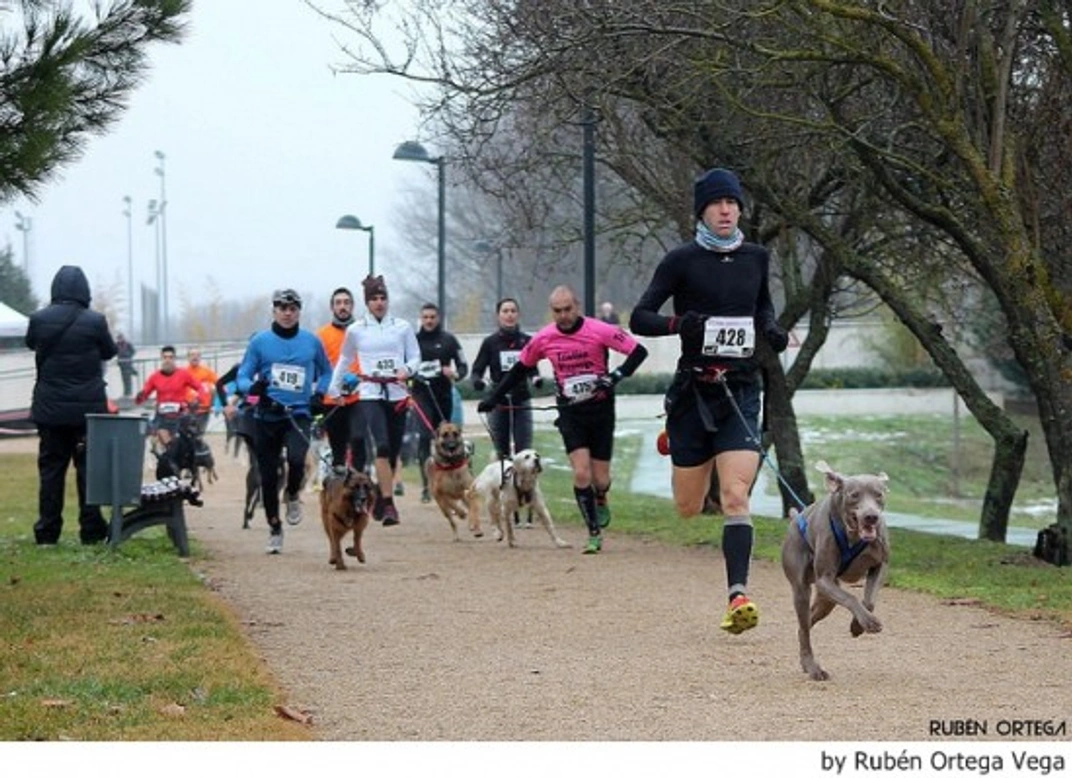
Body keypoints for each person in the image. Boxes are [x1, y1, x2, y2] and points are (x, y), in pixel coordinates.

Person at [629, 166, 788, 635]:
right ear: (701, 211)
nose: (725, 210)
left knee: (736, 495)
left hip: (740, 388)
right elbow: (640, 317)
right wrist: (681, 324)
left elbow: (761, 305)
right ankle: (676, 440)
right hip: (693, 393)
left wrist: (771, 328)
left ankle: (738, 595)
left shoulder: (756, 257)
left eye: (732, 202)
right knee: (689, 506)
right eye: (717, 203)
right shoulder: (681, 261)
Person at [478, 285, 648, 555]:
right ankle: (593, 533)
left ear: (577, 306)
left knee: (601, 479)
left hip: (601, 409)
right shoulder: (545, 338)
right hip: (570, 412)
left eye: (568, 309)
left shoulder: (599, 329)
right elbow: (520, 368)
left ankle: (601, 496)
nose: (564, 315)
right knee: (581, 472)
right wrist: (494, 397)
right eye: (557, 311)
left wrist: (615, 376)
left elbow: (639, 352)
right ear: (552, 311)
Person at [25, 265, 118, 546]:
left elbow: (31, 344)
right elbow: (110, 351)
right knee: (88, 470)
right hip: (87, 411)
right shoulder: (95, 321)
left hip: (50, 409)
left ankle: (47, 531)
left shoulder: (39, 319)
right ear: (84, 290)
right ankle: (91, 529)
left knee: (51, 470)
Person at [236, 288, 332, 554]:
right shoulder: (260, 342)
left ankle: (292, 494)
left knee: (297, 460)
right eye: (282, 309)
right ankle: (275, 527)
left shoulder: (311, 342)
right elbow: (243, 376)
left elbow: (327, 372)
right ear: (274, 311)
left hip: (298, 414)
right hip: (267, 416)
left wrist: (320, 394)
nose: (287, 313)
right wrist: (253, 389)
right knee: (267, 476)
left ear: (299, 312)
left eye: (292, 309)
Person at [326, 275, 420, 527]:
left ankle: (380, 492)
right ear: (367, 303)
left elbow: (415, 356)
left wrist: (407, 370)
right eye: (374, 299)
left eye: (383, 298)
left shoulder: (402, 327)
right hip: (370, 393)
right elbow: (345, 360)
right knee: (382, 446)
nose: (379, 303)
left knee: (393, 452)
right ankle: (389, 505)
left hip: (397, 393)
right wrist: (334, 388)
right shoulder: (356, 330)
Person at [470, 297, 542, 525]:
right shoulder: (490, 343)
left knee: (525, 453)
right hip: (499, 402)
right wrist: (478, 382)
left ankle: (529, 505)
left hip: (521, 400)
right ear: (498, 315)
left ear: (518, 315)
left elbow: (533, 368)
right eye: (505, 311)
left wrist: (537, 379)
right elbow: (477, 370)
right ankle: (510, 506)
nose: (509, 315)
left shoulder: (527, 341)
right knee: (502, 454)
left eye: (512, 311)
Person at [412, 302, 468, 503]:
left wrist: (455, 373)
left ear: (438, 318)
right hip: (421, 395)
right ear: (421, 319)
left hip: (444, 396)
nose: (429, 321)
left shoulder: (449, 340)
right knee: (425, 436)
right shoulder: (413, 341)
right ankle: (426, 485)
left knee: (446, 438)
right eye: (425, 317)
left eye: (432, 317)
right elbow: (402, 366)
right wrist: (411, 377)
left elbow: (463, 366)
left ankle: (447, 480)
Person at [316, 287, 368, 476]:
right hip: (333, 400)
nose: (342, 306)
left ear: (352, 306)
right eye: (338, 303)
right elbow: (317, 367)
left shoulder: (364, 331)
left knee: (358, 438)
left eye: (346, 302)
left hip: (358, 397)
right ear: (332, 307)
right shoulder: (322, 335)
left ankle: (359, 479)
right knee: (338, 450)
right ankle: (339, 481)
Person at [135, 345, 203, 456]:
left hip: (180, 415)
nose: (168, 360)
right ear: (161, 358)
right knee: (168, 444)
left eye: (171, 357)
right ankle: (169, 453)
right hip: (162, 417)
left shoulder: (183, 374)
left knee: (187, 440)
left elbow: (200, 388)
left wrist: (197, 400)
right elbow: (143, 396)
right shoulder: (154, 377)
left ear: (174, 359)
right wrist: (140, 397)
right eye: (165, 357)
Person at [184, 347, 218, 435]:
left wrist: (215, 403)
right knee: (187, 435)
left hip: (203, 410)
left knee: (199, 435)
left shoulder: (207, 372)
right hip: (187, 410)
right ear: (188, 357)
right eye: (192, 355)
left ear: (200, 357)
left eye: (197, 355)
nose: (195, 357)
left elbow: (219, 385)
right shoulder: (183, 372)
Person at [116, 332, 137, 398]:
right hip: (122, 364)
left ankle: (129, 393)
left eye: (120, 338)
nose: (119, 339)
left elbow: (133, 351)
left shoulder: (128, 344)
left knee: (128, 379)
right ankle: (125, 393)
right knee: (124, 379)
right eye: (118, 338)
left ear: (123, 338)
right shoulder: (117, 344)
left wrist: (128, 355)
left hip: (127, 363)